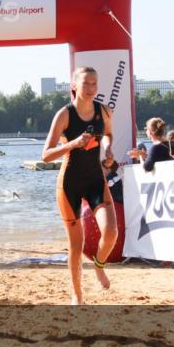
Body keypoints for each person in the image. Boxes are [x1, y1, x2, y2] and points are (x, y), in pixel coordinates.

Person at [43, 67, 118, 304]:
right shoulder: (64, 115)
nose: (91, 89)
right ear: (74, 86)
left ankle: (98, 264)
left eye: (94, 84)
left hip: (95, 178)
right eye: (86, 84)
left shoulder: (104, 111)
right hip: (69, 183)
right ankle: (77, 294)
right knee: (77, 244)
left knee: (111, 231)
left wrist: (107, 148)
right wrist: (73, 143)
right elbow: (46, 155)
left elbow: (107, 135)